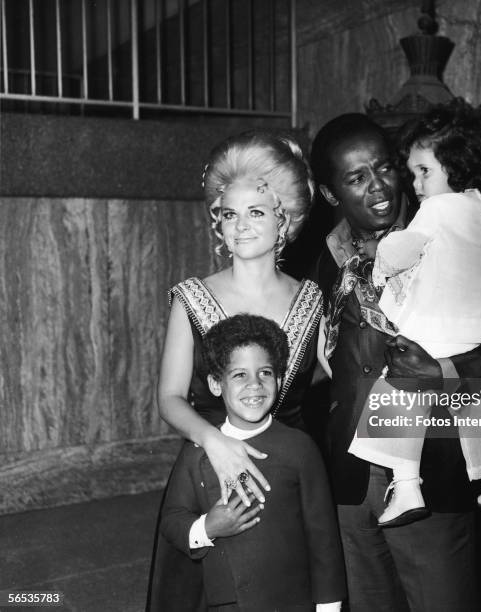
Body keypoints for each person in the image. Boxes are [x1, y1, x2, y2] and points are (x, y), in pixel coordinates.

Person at [310, 112, 481, 612]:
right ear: (331, 195)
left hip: (434, 469)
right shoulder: (326, 257)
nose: (379, 187)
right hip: (348, 474)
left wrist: (450, 373)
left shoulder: (456, 224)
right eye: (356, 177)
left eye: (386, 167)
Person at [147, 131, 326, 612]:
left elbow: (338, 378)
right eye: (230, 214)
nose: (241, 226)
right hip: (209, 471)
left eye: (256, 212)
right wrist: (216, 443)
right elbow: (168, 398)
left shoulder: (313, 300)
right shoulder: (191, 298)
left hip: (289, 478)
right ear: (217, 224)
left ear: (283, 219)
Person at [347, 98, 481, 527]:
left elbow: (402, 249)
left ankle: (407, 485)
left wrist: (381, 258)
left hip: (439, 322)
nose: (417, 184)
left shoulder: (437, 210)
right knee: (470, 399)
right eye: (413, 174)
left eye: (423, 172)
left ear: (457, 166)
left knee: (400, 390)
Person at [160, 314, 346, 611]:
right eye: (239, 375)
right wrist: (207, 527)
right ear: (215, 384)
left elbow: (323, 537)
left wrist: (329, 606)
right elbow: (171, 520)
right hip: (226, 602)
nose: (255, 385)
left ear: (280, 380)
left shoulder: (299, 447)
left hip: (291, 600)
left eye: (266, 373)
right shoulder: (196, 451)